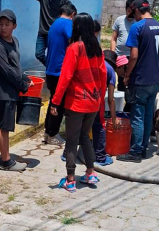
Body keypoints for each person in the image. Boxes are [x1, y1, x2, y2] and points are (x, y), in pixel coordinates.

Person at [51, 13, 107, 192]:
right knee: (85, 137)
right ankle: (90, 173)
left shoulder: (75, 48)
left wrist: (55, 101)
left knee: (72, 141)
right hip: (93, 101)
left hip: (76, 103)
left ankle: (70, 179)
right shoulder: (96, 48)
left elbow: (65, 77)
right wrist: (100, 99)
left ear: (77, 28)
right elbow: (103, 76)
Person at [117, 0, 159, 163]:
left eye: (134, 12)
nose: (134, 16)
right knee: (147, 115)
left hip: (141, 79)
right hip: (156, 79)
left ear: (137, 10)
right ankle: (144, 148)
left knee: (137, 115)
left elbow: (134, 56)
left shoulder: (137, 27)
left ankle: (136, 151)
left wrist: (127, 75)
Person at [0, 9, 32, 170]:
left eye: (7, 24)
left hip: (8, 91)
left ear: (14, 26)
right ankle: (6, 161)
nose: (3, 27)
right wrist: (23, 85)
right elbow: (7, 70)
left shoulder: (15, 41)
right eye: (0, 24)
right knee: (2, 127)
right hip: (1, 92)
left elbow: (16, 67)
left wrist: (25, 78)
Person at [5, 0, 71, 66]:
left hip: (54, 33)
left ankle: (53, 71)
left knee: (54, 55)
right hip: (42, 33)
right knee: (38, 54)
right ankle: (50, 67)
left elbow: (72, 10)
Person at [44, 3, 77, 145]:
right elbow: (73, 43)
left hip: (50, 70)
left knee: (53, 101)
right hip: (59, 71)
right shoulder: (67, 24)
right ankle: (52, 134)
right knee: (59, 103)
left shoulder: (55, 24)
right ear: (73, 15)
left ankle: (48, 132)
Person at [92, 50, 118, 166]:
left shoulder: (93, 61)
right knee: (99, 125)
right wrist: (114, 118)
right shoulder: (111, 71)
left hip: (82, 97)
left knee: (81, 125)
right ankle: (101, 157)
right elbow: (111, 99)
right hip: (97, 100)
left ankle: (67, 154)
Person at [111, 0, 136, 91]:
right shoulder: (119, 20)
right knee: (121, 80)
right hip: (120, 56)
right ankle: (121, 102)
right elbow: (113, 38)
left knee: (131, 80)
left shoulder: (138, 22)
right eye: (128, 10)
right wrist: (113, 54)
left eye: (132, 10)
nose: (129, 13)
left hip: (132, 56)